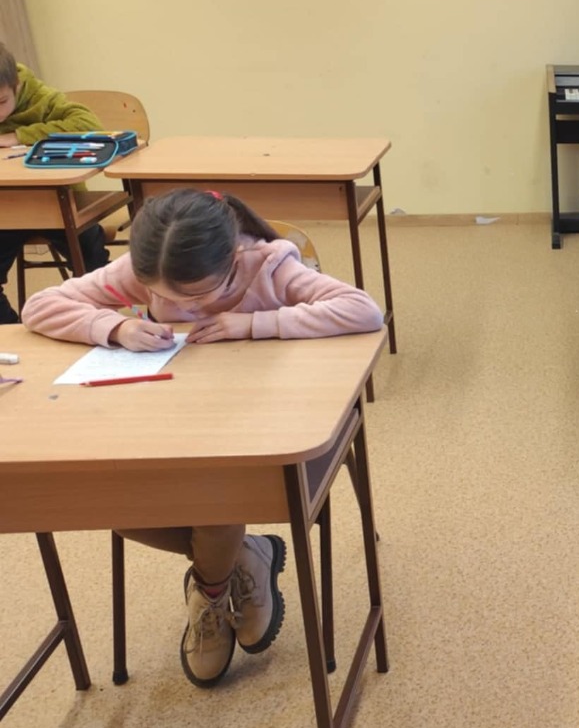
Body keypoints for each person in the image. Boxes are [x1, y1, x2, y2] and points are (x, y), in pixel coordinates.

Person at [21, 188, 384, 687]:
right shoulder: (147, 269)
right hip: (175, 424)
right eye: (165, 297)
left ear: (232, 258)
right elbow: (40, 305)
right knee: (120, 514)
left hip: (267, 432)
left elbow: (362, 310)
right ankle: (246, 556)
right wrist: (114, 328)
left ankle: (210, 593)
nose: (178, 306)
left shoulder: (267, 266)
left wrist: (255, 323)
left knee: (215, 501)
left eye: (195, 295)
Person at [0, 42, 110, 325]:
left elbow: (89, 126)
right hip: (6, 211)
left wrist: (18, 136)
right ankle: (14, 333)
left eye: (1, 102)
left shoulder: (40, 97)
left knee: (92, 263)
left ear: (16, 85)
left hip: (59, 202)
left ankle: (90, 323)